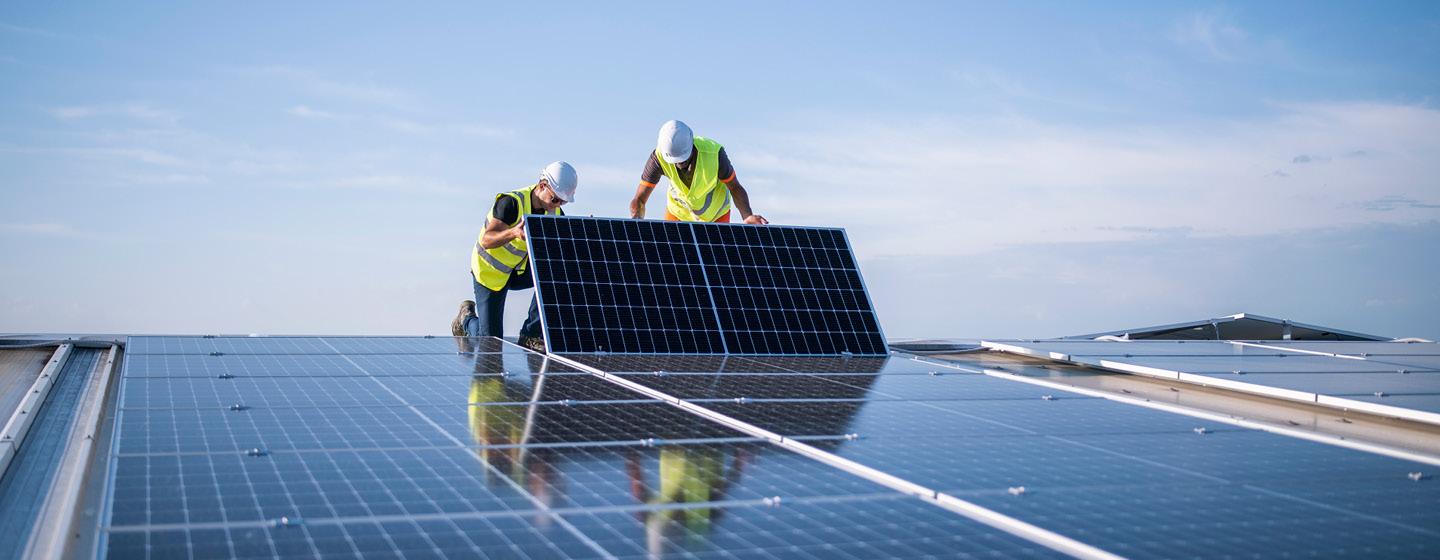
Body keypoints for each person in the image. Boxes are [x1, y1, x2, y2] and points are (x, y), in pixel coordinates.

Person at [451, 162, 576, 352]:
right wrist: (513, 233)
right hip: (490, 273)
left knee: (557, 271)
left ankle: (530, 334)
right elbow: (486, 239)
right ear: (542, 186)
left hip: (518, 271)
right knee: (490, 343)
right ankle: (466, 321)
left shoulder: (556, 212)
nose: (558, 205)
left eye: (563, 201)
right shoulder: (511, 203)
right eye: (555, 199)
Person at [628, 120, 768, 224]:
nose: (679, 164)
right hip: (678, 213)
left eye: (683, 159)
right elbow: (639, 199)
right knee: (670, 256)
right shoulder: (658, 158)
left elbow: (735, 187)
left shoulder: (714, 154)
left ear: (691, 146)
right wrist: (636, 221)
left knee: (716, 259)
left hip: (716, 214)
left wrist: (747, 216)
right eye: (675, 161)